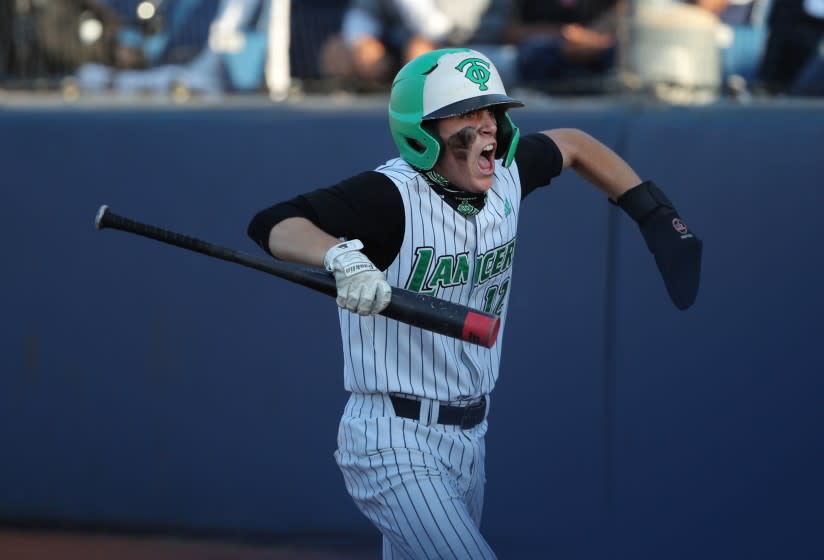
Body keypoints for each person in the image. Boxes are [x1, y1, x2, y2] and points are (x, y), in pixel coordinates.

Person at [247, 48, 703, 558]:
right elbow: (274, 222)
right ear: (425, 132)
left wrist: (652, 211)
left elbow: (573, 145)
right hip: (391, 438)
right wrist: (340, 258)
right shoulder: (389, 195)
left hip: (469, 438)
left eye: (492, 112)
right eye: (468, 114)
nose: (488, 126)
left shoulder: (505, 174)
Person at [318, 0, 513, 89]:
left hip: (472, 53)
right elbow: (364, 10)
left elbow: (449, 30)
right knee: (337, 52)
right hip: (399, 50)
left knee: (421, 54)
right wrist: (362, 41)